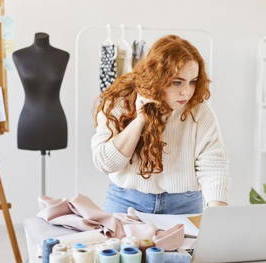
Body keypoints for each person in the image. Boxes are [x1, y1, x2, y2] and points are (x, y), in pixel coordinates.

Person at [91, 35, 230, 214]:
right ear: (157, 78)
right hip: (126, 201)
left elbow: (213, 164)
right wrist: (140, 120)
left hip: (184, 204)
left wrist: (218, 216)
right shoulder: (120, 102)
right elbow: (105, 163)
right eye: (177, 82)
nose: (186, 91)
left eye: (193, 81)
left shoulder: (199, 110)